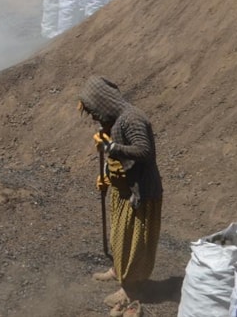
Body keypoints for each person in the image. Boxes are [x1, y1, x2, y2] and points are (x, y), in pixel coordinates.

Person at [78, 75, 163, 317]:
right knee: (119, 236)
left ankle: (130, 289)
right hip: (123, 189)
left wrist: (111, 147)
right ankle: (118, 269)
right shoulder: (116, 121)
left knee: (133, 242)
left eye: (93, 111)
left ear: (103, 103)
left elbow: (144, 151)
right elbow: (119, 158)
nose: (93, 117)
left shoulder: (132, 119)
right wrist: (107, 174)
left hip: (140, 191)